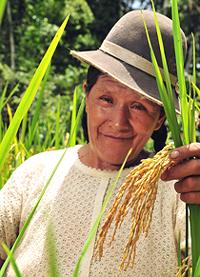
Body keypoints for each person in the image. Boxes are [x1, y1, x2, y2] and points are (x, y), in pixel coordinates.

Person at [0, 9, 200, 277]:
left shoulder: (180, 192)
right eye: (106, 99)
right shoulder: (35, 174)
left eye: (139, 106)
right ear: (87, 95)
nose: (119, 122)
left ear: (160, 118)